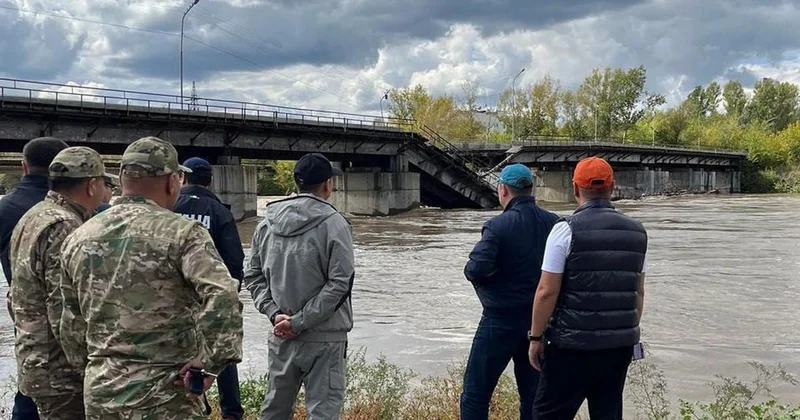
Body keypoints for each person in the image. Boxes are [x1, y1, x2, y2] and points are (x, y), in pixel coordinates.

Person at [59, 136, 244, 419]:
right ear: (173, 181)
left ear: (121, 178)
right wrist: (209, 363)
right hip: (167, 397)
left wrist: (97, 367)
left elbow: (70, 324)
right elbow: (224, 296)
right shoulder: (183, 233)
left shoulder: (78, 237)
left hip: (101, 393)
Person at [528, 157, 647, 420]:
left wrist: (535, 338)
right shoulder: (637, 232)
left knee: (548, 414)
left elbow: (547, 291)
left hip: (572, 346)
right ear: (612, 187)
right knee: (607, 413)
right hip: (618, 348)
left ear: (575, 189)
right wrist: (622, 331)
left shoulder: (565, 230)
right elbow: (638, 292)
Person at [244, 152, 354, 420]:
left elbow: (252, 275)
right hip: (325, 337)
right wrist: (300, 321)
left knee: (274, 411)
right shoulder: (335, 223)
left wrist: (275, 314)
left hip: (280, 334)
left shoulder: (266, 223)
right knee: (323, 413)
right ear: (328, 184)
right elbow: (340, 284)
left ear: (296, 183)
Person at [10, 146, 110, 419]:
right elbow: (64, 309)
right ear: (92, 185)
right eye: (103, 183)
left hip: (36, 357)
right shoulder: (64, 226)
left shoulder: (35, 215)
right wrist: (89, 368)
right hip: (60, 371)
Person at [461, 164, 559, 420]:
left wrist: (491, 290)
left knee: (476, 394)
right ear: (531, 190)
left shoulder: (498, 226)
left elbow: (475, 270)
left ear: (503, 190)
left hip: (499, 321)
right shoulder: (555, 224)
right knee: (533, 398)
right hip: (539, 325)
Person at [0, 136, 68, 420]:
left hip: (25, 315)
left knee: (30, 386)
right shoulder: (77, 210)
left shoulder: (4, 209)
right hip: (72, 320)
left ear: (23, 166)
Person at [173, 157, 244, 420]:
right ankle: (231, 412)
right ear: (210, 180)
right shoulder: (220, 211)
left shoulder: (169, 207)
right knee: (220, 352)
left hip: (172, 300)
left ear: (183, 178)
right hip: (211, 295)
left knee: (177, 353)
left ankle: (186, 402)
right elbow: (235, 261)